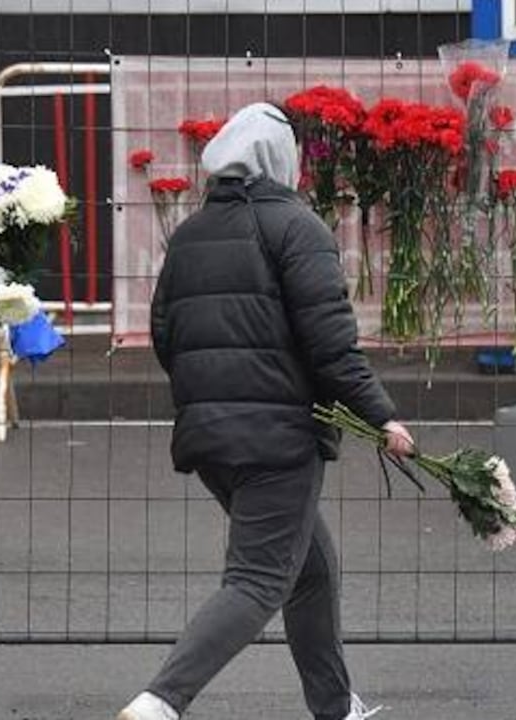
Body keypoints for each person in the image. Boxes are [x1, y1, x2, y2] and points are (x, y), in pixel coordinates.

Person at [119, 102, 413, 720]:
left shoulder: (191, 234)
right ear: (283, 160)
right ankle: (159, 703)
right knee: (258, 579)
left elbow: (166, 334)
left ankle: (336, 707)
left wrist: (214, 397)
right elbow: (331, 344)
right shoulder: (297, 227)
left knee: (309, 567)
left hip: (210, 437)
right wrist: (382, 415)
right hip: (277, 439)